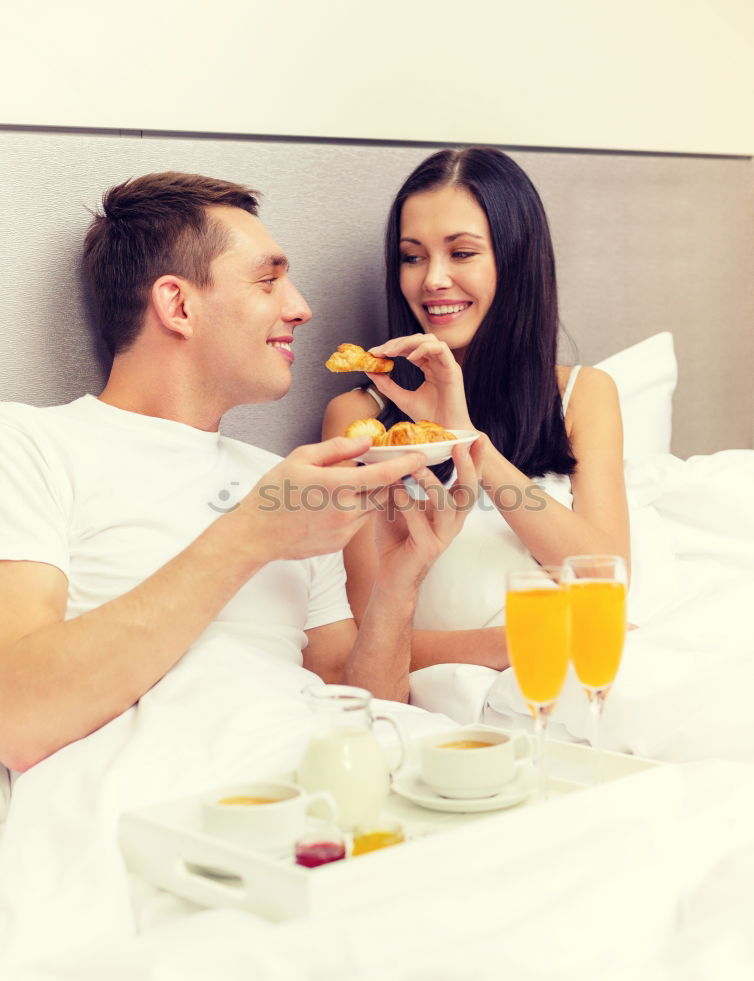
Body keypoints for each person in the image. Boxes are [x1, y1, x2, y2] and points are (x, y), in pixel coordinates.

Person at [0, 171, 481, 774]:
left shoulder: (290, 481)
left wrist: (398, 585)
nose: (300, 308)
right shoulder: (29, 446)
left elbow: (358, 711)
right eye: (268, 281)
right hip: (173, 795)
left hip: (325, 780)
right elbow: (17, 718)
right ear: (178, 305)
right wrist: (250, 535)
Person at [322, 147, 630, 673]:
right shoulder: (359, 419)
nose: (432, 279)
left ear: (516, 260)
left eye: (461, 253)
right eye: (412, 256)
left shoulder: (583, 394)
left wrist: (466, 440)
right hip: (450, 695)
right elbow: (368, 638)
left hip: (568, 685)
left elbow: (604, 578)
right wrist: (522, 640)